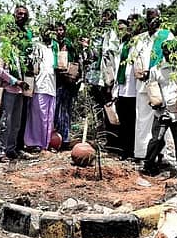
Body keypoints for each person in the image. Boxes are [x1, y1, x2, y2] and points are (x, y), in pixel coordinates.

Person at [141, 39, 177, 186]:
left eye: (173, 50)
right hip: (161, 113)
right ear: (163, 52)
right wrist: (155, 104)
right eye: (167, 50)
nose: (170, 53)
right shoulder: (156, 70)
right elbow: (151, 89)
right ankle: (148, 165)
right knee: (156, 140)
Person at [133, 8, 175, 161]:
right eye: (149, 18)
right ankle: (142, 153)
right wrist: (140, 73)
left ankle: (161, 154)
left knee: (161, 119)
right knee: (142, 119)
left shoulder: (166, 35)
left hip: (160, 84)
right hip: (143, 84)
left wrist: (152, 72)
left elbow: (171, 56)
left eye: (155, 18)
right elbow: (135, 59)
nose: (152, 21)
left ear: (160, 19)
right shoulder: (140, 38)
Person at [0, 5, 33, 162]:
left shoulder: (18, 51)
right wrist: (14, 81)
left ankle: (11, 149)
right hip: (9, 89)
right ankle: (1, 151)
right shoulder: (3, 48)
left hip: (19, 90)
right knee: (5, 121)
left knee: (16, 122)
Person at [85, 9, 120, 148]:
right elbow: (93, 56)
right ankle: (101, 139)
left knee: (110, 109)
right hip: (95, 78)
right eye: (104, 17)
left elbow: (111, 57)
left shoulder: (113, 35)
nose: (105, 19)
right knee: (98, 110)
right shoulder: (97, 35)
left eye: (109, 17)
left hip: (108, 79)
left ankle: (113, 141)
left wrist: (110, 82)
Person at [24, 25, 58, 151]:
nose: (48, 34)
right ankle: (34, 142)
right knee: (38, 116)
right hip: (39, 85)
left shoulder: (54, 47)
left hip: (51, 86)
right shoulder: (36, 45)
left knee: (48, 116)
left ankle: (46, 143)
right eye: (46, 32)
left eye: (50, 32)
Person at [113, 14, 142, 160]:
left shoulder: (138, 44)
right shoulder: (122, 45)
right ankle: (124, 150)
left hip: (134, 90)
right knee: (123, 121)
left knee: (132, 122)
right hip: (122, 89)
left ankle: (132, 150)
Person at [53, 21, 79, 144]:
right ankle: (56, 137)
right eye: (57, 30)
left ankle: (65, 138)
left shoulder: (68, 44)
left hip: (66, 82)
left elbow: (74, 62)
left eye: (61, 30)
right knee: (56, 110)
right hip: (55, 81)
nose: (59, 32)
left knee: (65, 110)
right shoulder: (52, 45)